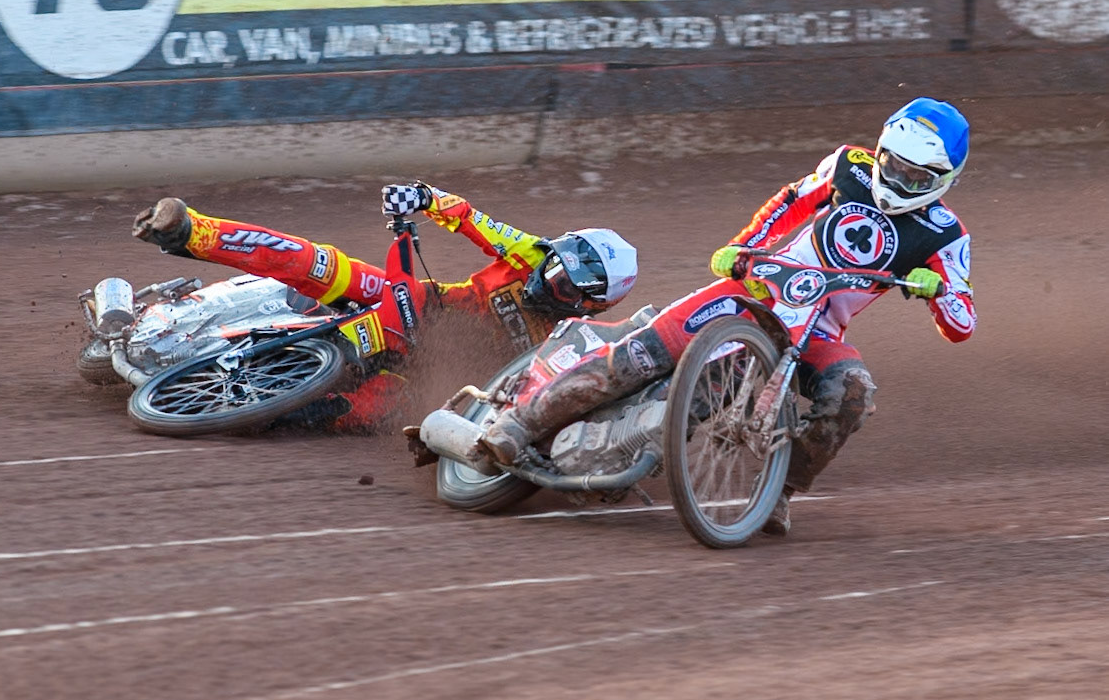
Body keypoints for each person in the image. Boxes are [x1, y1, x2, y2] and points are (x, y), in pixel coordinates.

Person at [475, 98, 977, 534]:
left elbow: (962, 323)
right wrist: (743, 247)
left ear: (945, 179)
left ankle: (780, 490)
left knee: (852, 394)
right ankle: (517, 425)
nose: (898, 178)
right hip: (756, 289)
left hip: (816, 330)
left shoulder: (946, 235)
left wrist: (941, 292)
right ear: (881, 149)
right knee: (640, 355)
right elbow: (791, 202)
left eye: (916, 176)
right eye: (893, 163)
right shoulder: (849, 165)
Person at [131, 182, 645, 428]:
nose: (549, 281)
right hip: (417, 302)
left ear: (592, 305)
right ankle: (187, 230)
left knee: (363, 414)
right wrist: (420, 198)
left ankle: (235, 403)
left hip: (426, 375)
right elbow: (470, 217)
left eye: (566, 287)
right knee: (318, 263)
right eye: (555, 267)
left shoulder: (573, 337)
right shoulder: (530, 250)